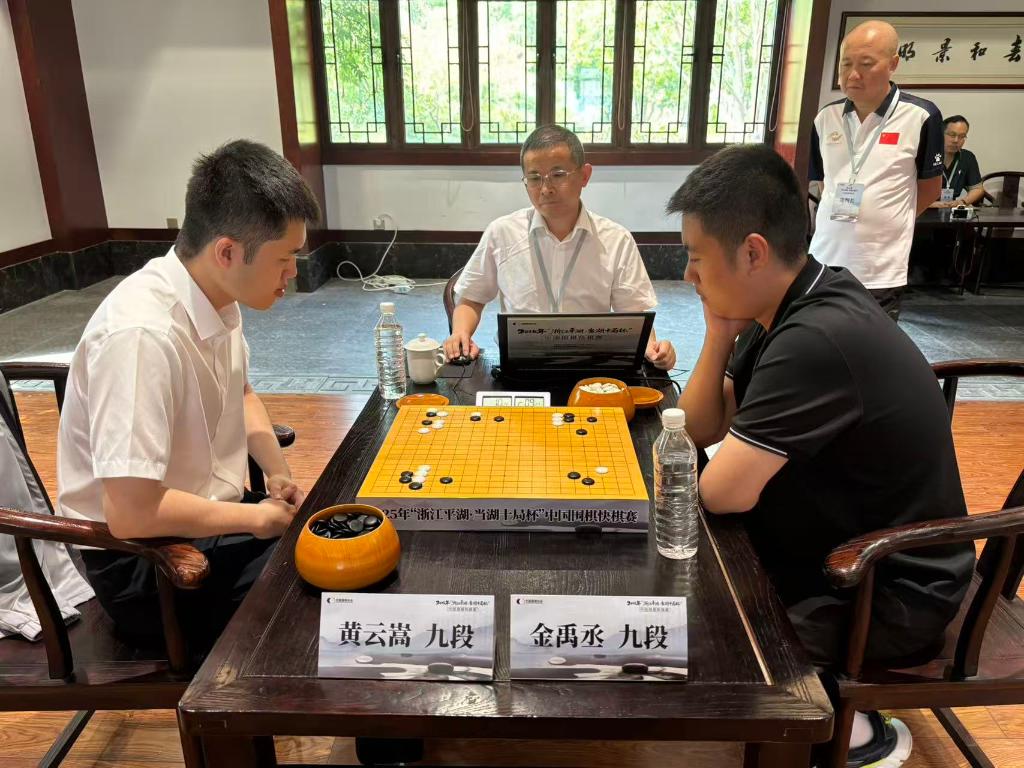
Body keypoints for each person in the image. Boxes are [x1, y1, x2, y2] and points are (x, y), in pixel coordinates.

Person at [669, 144, 973, 767]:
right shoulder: (795, 299)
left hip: (886, 588)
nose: (689, 275)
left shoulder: (815, 338)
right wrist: (719, 331)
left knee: (711, 624)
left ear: (752, 252)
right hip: (841, 549)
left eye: (696, 257)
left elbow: (721, 492)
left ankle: (852, 731)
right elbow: (699, 427)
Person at [57, 140, 320, 656]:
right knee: (310, 589)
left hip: (208, 515)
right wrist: (254, 519)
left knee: (330, 545)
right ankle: (241, 704)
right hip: (147, 560)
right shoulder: (140, 336)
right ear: (227, 252)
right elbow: (132, 513)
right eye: (285, 258)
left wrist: (276, 470)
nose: (293, 273)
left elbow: (241, 392)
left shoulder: (216, 296)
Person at [444, 124, 676, 370]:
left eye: (558, 175)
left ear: (584, 175)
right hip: (520, 367)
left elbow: (635, 315)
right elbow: (471, 299)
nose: (546, 189)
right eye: (534, 178)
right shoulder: (502, 233)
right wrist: (460, 333)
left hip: (593, 366)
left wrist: (652, 348)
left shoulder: (616, 240)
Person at [809, 20, 944, 321]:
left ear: (893, 64)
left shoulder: (921, 116)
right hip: (823, 260)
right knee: (818, 342)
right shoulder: (825, 118)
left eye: (866, 64)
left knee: (868, 348)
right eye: (846, 64)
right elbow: (823, 184)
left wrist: (888, 220)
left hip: (879, 269)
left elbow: (930, 189)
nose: (853, 74)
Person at [929, 115, 984, 208]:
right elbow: (907, 191)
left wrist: (962, 202)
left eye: (962, 136)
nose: (956, 140)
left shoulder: (967, 157)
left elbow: (977, 189)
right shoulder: (925, 156)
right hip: (923, 210)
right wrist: (932, 205)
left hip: (951, 209)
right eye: (952, 135)